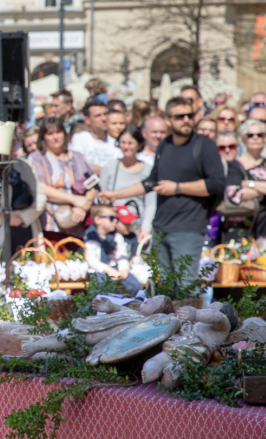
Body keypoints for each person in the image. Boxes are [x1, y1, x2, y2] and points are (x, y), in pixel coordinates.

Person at [99, 97, 225, 286]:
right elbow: (151, 182)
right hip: (161, 228)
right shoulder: (165, 145)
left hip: (188, 228)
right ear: (168, 119)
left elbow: (217, 183)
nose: (186, 120)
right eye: (179, 116)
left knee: (185, 288)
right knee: (163, 289)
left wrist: (177, 188)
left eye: (189, 115)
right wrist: (115, 195)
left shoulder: (203, 145)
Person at [27, 117, 97, 237]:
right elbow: (40, 187)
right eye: (50, 133)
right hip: (51, 224)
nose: (55, 137)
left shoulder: (77, 156)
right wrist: (74, 200)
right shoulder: (37, 158)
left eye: (58, 132)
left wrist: (84, 205)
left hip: (80, 223)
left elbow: (93, 183)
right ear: (43, 137)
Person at [222, 120, 266, 243]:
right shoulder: (235, 165)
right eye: (250, 135)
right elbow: (235, 195)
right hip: (241, 224)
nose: (255, 138)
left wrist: (249, 184)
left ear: (265, 138)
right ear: (243, 139)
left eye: (259, 135)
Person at [98, 126, 156, 250]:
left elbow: (151, 204)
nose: (126, 147)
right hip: (113, 227)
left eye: (130, 143)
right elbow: (100, 199)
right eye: (123, 142)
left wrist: (145, 229)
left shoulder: (148, 171)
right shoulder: (110, 167)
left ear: (139, 145)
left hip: (138, 227)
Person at [85, 204, 138, 294]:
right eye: (111, 218)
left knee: (134, 284)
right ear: (98, 219)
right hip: (99, 270)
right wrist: (108, 270)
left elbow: (122, 255)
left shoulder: (117, 237)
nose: (115, 222)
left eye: (117, 219)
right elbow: (91, 260)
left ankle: (129, 305)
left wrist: (124, 269)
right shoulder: (91, 236)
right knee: (104, 286)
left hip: (116, 268)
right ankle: (106, 307)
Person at [69, 100, 121, 173]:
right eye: (98, 115)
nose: (103, 119)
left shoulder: (115, 142)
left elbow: (120, 169)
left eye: (105, 114)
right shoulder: (80, 138)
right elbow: (80, 166)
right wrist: (108, 171)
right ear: (87, 120)